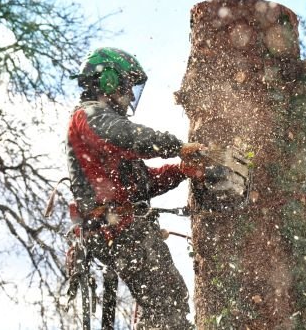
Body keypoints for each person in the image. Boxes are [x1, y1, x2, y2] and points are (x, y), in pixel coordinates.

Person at [66, 47, 203, 329]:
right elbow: (127, 137)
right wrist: (176, 146)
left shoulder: (103, 125)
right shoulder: (90, 116)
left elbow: (142, 184)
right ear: (108, 82)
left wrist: (180, 170)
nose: (130, 96)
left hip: (123, 225)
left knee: (167, 300)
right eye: (127, 86)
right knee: (168, 301)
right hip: (116, 227)